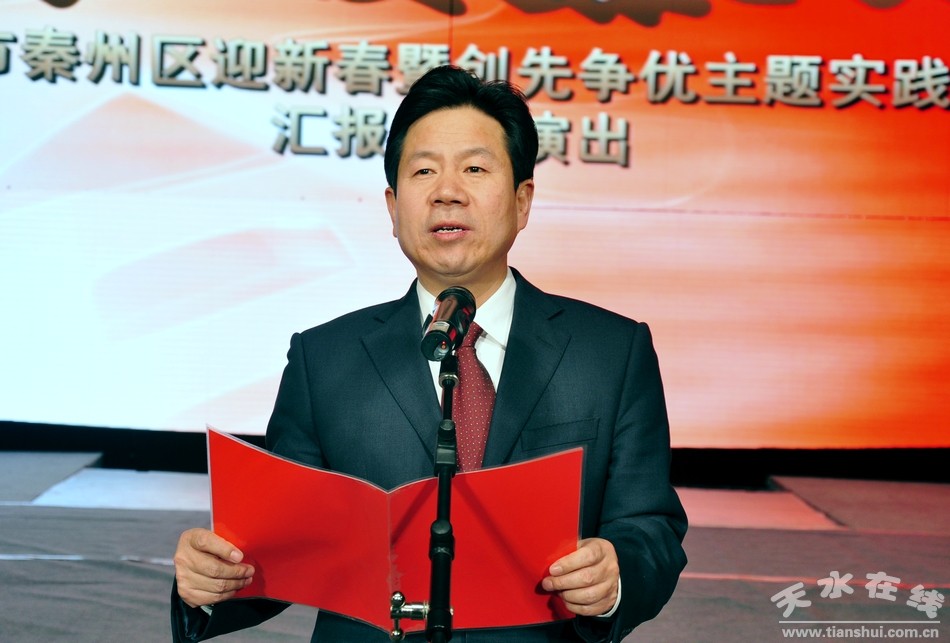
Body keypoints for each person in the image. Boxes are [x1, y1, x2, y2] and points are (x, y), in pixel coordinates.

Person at [171, 65, 687, 643]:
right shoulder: (325, 359)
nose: (447, 191)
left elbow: (649, 526)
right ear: (393, 209)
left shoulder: (610, 353)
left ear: (522, 202)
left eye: (474, 168)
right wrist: (210, 581)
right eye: (423, 171)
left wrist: (615, 577)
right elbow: (279, 548)